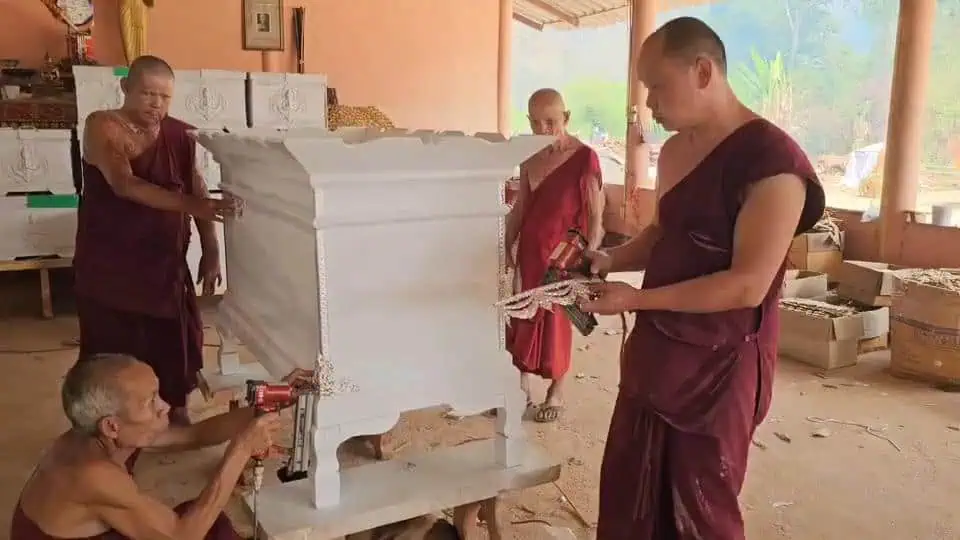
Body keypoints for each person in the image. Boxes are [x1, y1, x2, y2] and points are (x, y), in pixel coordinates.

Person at [579, 17, 825, 539]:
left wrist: (637, 300)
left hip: (719, 369)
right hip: (656, 355)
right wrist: (610, 260)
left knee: (700, 511)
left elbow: (746, 286)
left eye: (657, 87)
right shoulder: (672, 153)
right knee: (629, 490)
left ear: (703, 71)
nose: (650, 106)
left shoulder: (773, 165)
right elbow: (662, 234)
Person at [73, 55, 235, 427]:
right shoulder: (102, 126)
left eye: (164, 97)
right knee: (111, 351)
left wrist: (210, 250)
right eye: (147, 93)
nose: (155, 104)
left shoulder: (178, 134)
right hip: (112, 267)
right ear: (125, 88)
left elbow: (194, 186)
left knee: (175, 344)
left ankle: (174, 411)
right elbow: (124, 183)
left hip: (165, 265)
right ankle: (108, 425)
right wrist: (196, 205)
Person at [11, 354, 314, 540]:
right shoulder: (93, 475)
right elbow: (184, 537)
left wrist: (275, 401)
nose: (165, 406)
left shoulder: (100, 434)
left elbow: (193, 436)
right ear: (111, 426)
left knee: (209, 522)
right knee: (203, 526)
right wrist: (241, 450)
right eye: (150, 402)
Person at [505, 88, 604, 423]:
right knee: (522, 316)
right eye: (536, 122)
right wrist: (505, 242)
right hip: (532, 253)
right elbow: (521, 207)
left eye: (551, 121)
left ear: (567, 118)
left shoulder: (585, 157)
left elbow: (595, 213)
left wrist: (590, 256)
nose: (543, 129)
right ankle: (520, 389)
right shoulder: (529, 157)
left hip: (564, 255)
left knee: (559, 323)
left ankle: (556, 392)